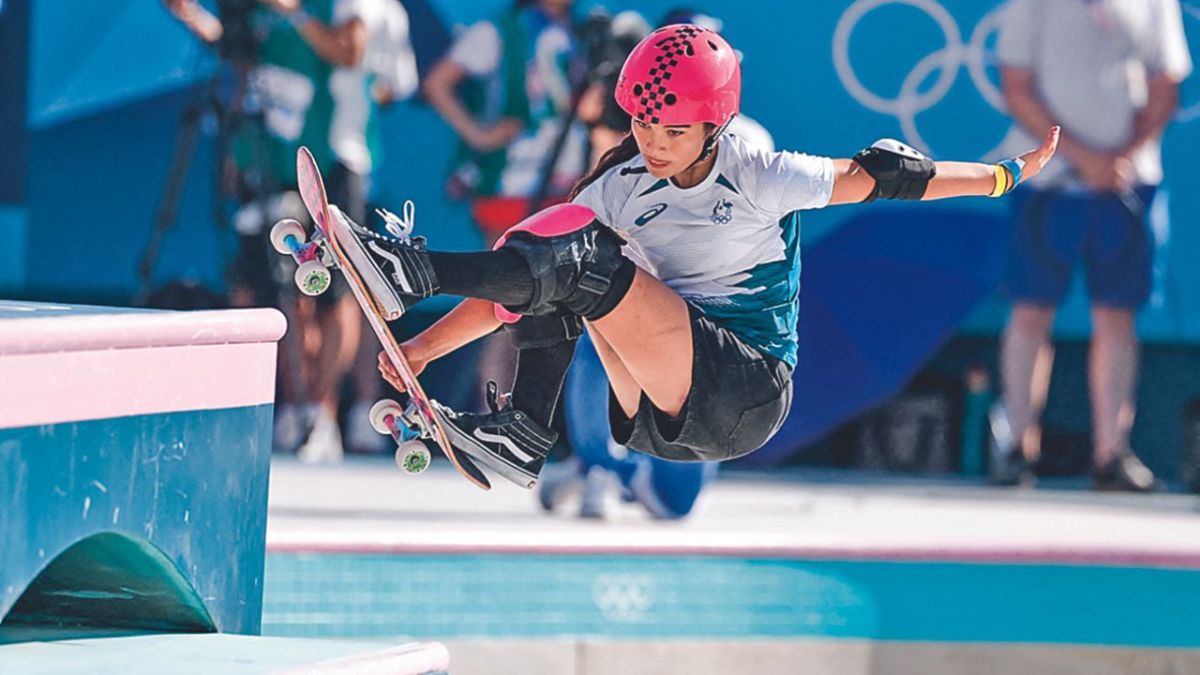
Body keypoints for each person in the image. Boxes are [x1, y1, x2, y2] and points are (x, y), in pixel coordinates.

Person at [335, 23, 1059, 489]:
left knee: (581, 256)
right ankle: (523, 433)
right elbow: (512, 286)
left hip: (746, 385)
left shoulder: (760, 172)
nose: (653, 142)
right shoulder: (621, 184)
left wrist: (1004, 174)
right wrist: (423, 348)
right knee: (557, 239)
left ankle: (412, 269)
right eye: (644, 123)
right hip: (657, 405)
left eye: (674, 130)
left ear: (713, 126)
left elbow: (895, 179)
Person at [167, 0, 418, 461]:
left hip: (331, 161)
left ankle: (324, 412)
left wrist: (296, 13)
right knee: (285, 288)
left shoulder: (338, 8)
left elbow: (353, 54)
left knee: (337, 291)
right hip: (272, 159)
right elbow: (245, 61)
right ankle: (297, 405)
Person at [989, 0, 1192, 491]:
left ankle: (1111, 454)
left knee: (1117, 316)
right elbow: (1017, 85)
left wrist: (1119, 157)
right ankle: (1017, 447)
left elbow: (1166, 86)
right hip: (1048, 185)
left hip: (1127, 185)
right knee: (1031, 311)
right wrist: (1080, 157)